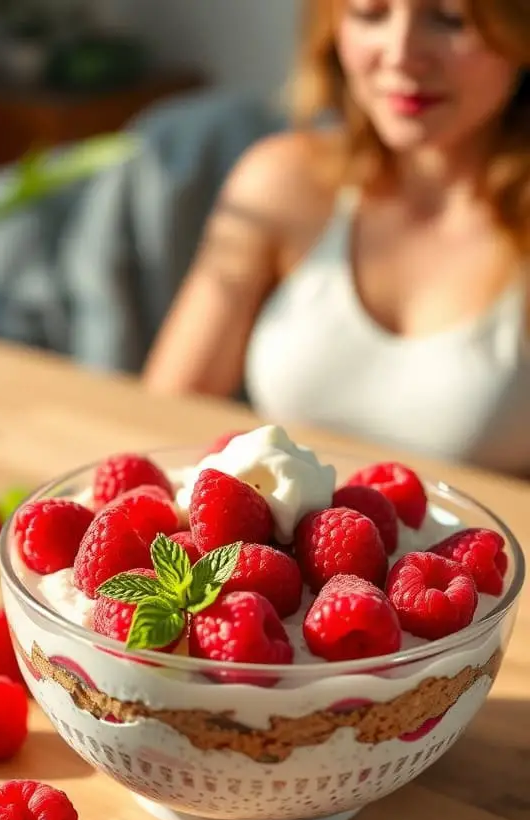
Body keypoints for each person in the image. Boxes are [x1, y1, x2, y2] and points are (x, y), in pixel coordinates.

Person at [142, 0, 530, 475]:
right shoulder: (282, 183)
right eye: (370, 13)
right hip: (285, 545)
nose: (401, 55)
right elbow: (164, 421)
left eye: (450, 19)